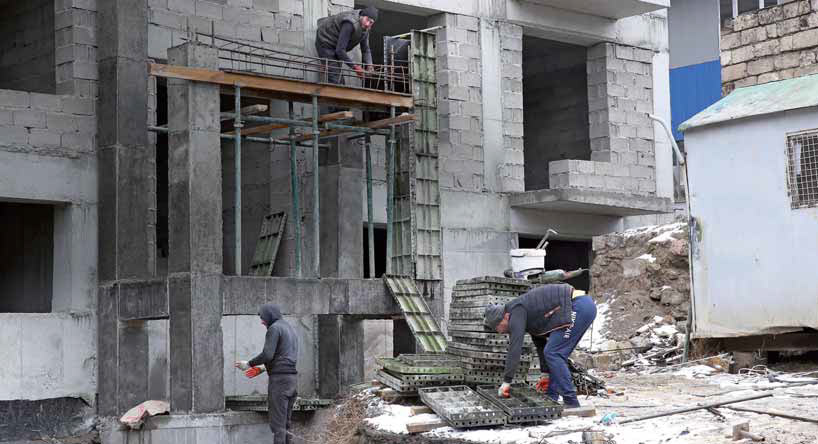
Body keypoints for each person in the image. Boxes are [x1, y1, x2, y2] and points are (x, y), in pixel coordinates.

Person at [483, 284, 597, 408]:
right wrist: (545, 374)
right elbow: (540, 344)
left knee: (554, 353)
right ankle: (551, 397)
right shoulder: (527, 316)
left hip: (578, 306)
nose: (500, 332)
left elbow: (515, 348)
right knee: (554, 353)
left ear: (504, 317)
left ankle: (571, 401)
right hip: (581, 306)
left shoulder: (516, 310)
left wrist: (506, 382)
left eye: (497, 328)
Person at [235, 304, 299, 444]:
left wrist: (249, 364)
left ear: (270, 315)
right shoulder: (289, 329)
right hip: (291, 380)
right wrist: (263, 368)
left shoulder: (274, 328)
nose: (262, 322)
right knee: (286, 425)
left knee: (278, 427)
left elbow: (268, 354)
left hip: (279, 382)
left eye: (263, 318)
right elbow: (285, 356)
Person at [315, 6, 378, 84]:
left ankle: (328, 68)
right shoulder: (350, 23)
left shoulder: (365, 29)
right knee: (337, 80)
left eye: (371, 22)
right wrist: (356, 67)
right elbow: (340, 50)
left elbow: (365, 49)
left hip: (336, 46)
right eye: (367, 20)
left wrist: (370, 66)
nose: (368, 24)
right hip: (326, 41)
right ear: (362, 16)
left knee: (336, 75)